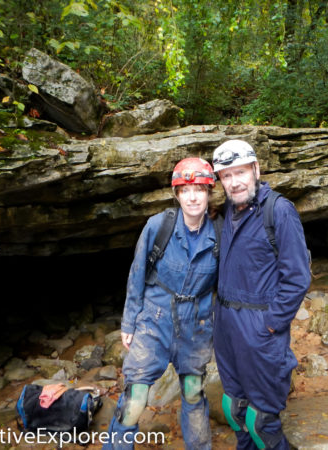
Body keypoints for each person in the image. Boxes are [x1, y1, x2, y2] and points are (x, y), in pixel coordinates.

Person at [104, 158, 219, 450]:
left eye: (199, 189)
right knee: (135, 398)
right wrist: (129, 322)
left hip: (196, 324)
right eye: (186, 189)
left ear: (209, 192)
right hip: (154, 321)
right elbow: (137, 273)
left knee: (193, 392)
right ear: (177, 194)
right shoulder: (159, 226)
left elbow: (229, 284)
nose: (192, 197)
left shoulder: (220, 234)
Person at [212, 139, 311, 450]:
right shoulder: (226, 212)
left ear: (256, 169)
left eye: (240, 172)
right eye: (226, 176)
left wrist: (271, 324)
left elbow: (297, 277)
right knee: (234, 408)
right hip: (226, 325)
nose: (234, 182)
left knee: (261, 421)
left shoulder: (278, 211)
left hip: (259, 327)